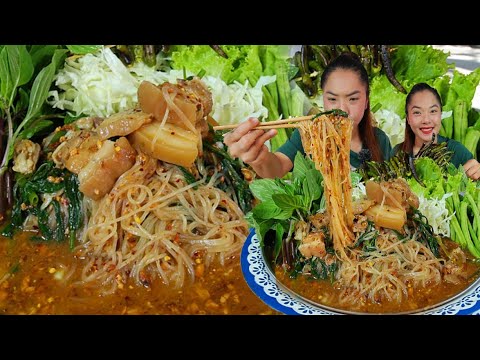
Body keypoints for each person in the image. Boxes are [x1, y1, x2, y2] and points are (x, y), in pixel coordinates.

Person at [223, 52, 393, 179]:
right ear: (323, 99)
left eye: (353, 99)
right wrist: (259, 157)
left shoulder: (380, 140)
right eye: (332, 99)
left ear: (366, 101)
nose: (342, 109)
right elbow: (277, 166)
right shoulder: (310, 134)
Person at [393, 82, 480, 181]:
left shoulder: (458, 152)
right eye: (417, 112)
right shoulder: (397, 152)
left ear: (440, 115)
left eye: (433, 111)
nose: (426, 120)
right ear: (408, 118)